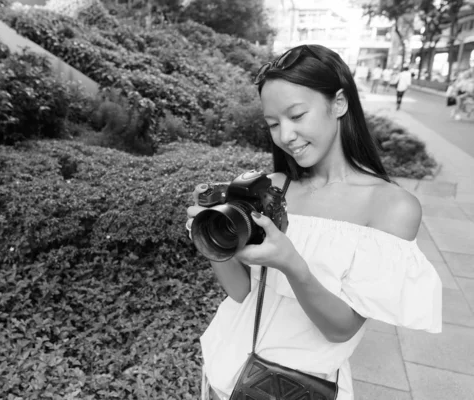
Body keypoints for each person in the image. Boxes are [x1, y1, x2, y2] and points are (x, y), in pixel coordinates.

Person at [185, 44, 442, 400]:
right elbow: (243, 294)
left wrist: (292, 263)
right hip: (225, 375)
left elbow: (341, 330)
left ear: (338, 103)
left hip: (298, 389)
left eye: (297, 115)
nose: (285, 135)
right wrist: (212, 239)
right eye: (273, 124)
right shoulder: (274, 188)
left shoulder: (392, 207)